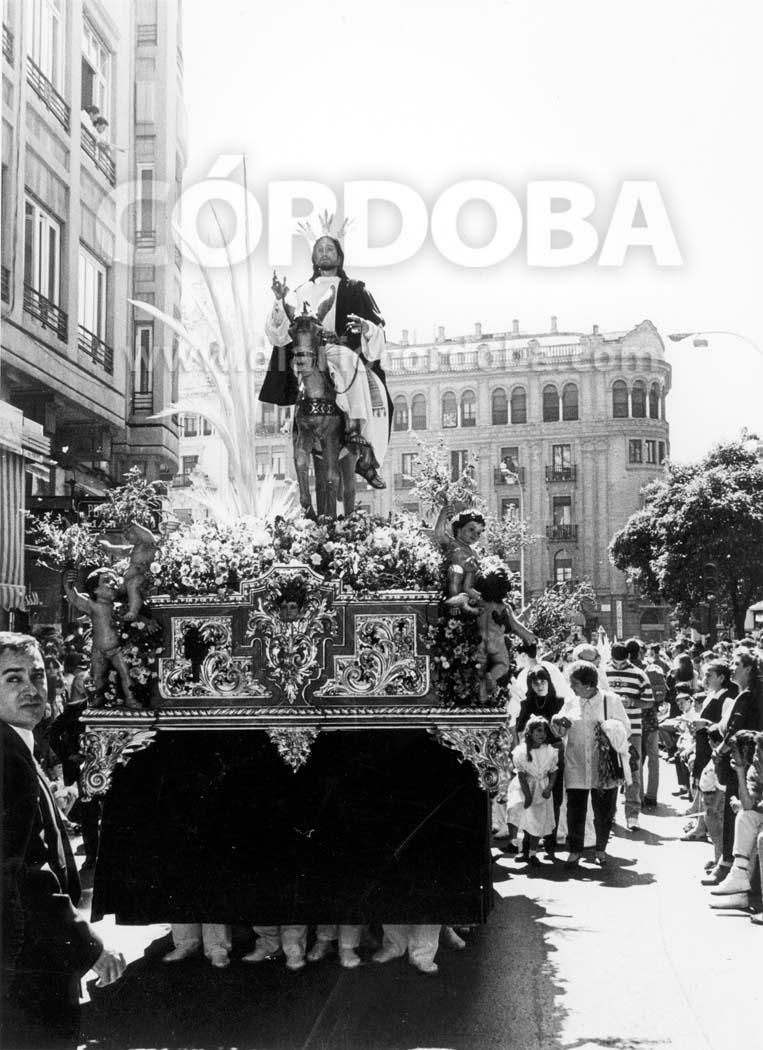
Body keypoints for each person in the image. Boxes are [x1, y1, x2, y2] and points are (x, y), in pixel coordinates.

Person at [1, 632, 125, 1048]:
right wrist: (88, 948)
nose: (32, 689)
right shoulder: (6, 757)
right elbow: (25, 871)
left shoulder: (16, 747)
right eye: (13, 679)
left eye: (37, 676)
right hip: (26, 962)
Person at [260, 230, 390, 487]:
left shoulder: (355, 289)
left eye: (329, 249)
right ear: (313, 257)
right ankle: (299, 429)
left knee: (350, 364)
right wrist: (278, 300)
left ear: (339, 256)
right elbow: (278, 333)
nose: (324, 253)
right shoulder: (299, 292)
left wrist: (365, 327)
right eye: (319, 249)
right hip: (308, 352)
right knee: (301, 369)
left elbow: (378, 328)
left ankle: (357, 438)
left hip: (340, 349)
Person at [552, 661, 631, 868]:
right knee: (574, 810)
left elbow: (625, 730)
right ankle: (575, 851)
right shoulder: (571, 701)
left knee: (603, 811)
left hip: (603, 766)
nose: (572, 687)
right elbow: (560, 733)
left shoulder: (610, 700)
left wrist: (609, 731)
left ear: (588, 685)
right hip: (576, 764)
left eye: (575, 683)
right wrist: (558, 723)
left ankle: (600, 849)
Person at [63, 570, 137, 708]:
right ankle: (98, 698)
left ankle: (131, 698)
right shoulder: (93, 606)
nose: (112, 584)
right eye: (106, 581)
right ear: (95, 589)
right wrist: (68, 584)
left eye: (114, 580)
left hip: (117, 649)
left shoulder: (119, 607)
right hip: (98, 650)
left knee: (125, 674)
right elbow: (74, 597)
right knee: (97, 677)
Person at [604, 641, 654, 832]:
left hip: (632, 730)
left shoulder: (639, 674)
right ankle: (610, 813)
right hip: (608, 729)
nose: (618, 666)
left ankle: (633, 814)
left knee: (633, 772)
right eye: (615, 662)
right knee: (608, 771)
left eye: (622, 662)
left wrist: (632, 701)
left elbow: (649, 702)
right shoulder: (604, 672)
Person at [506, 716, 559, 865]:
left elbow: (554, 771)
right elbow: (521, 776)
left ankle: (532, 853)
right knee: (515, 808)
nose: (542, 734)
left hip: (541, 787)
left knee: (536, 819)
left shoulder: (549, 751)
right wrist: (527, 795)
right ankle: (514, 842)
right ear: (530, 732)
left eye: (544, 731)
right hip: (524, 787)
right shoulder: (522, 751)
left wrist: (549, 788)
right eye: (538, 731)